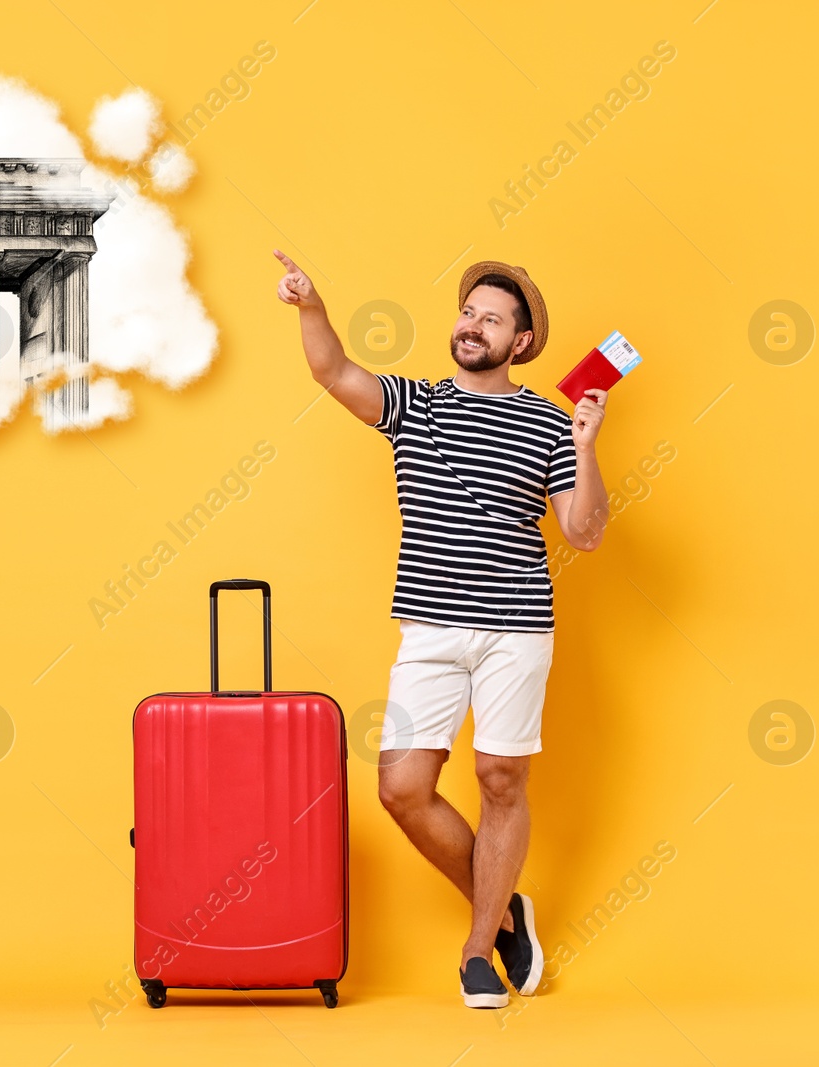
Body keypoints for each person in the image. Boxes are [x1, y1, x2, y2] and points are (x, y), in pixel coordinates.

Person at [274, 250, 610, 1009]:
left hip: (515, 628)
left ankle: (476, 950)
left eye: (491, 319)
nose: (472, 325)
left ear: (520, 342)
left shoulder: (550, 423)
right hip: (428, 627)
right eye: (468, 312)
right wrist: (311, 306)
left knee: (500, 779)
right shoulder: (414, 403)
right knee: (401, 786)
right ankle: (503, 908)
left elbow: (583, 532)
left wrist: (586, 446)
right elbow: (334, 373)